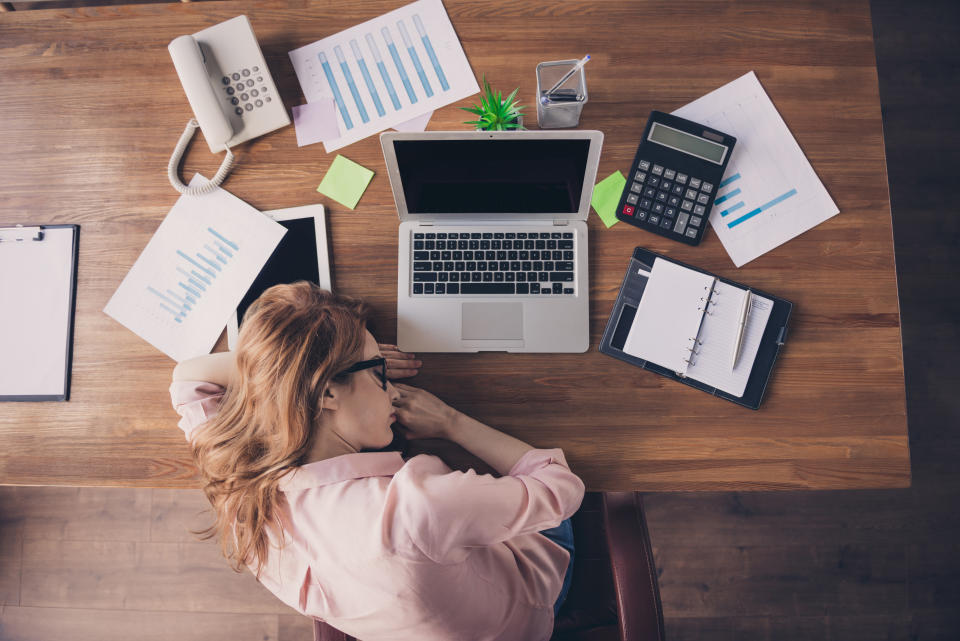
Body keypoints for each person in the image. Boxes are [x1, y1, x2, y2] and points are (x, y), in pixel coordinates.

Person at [169, 282, 585, 641]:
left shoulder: (240, 489)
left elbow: (189, 378)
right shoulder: (419, 508)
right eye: (378, 372)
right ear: (327, 393)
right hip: (525, 609)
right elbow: (562, 488)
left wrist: (295, 370)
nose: (388, 387)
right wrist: (451, 422)